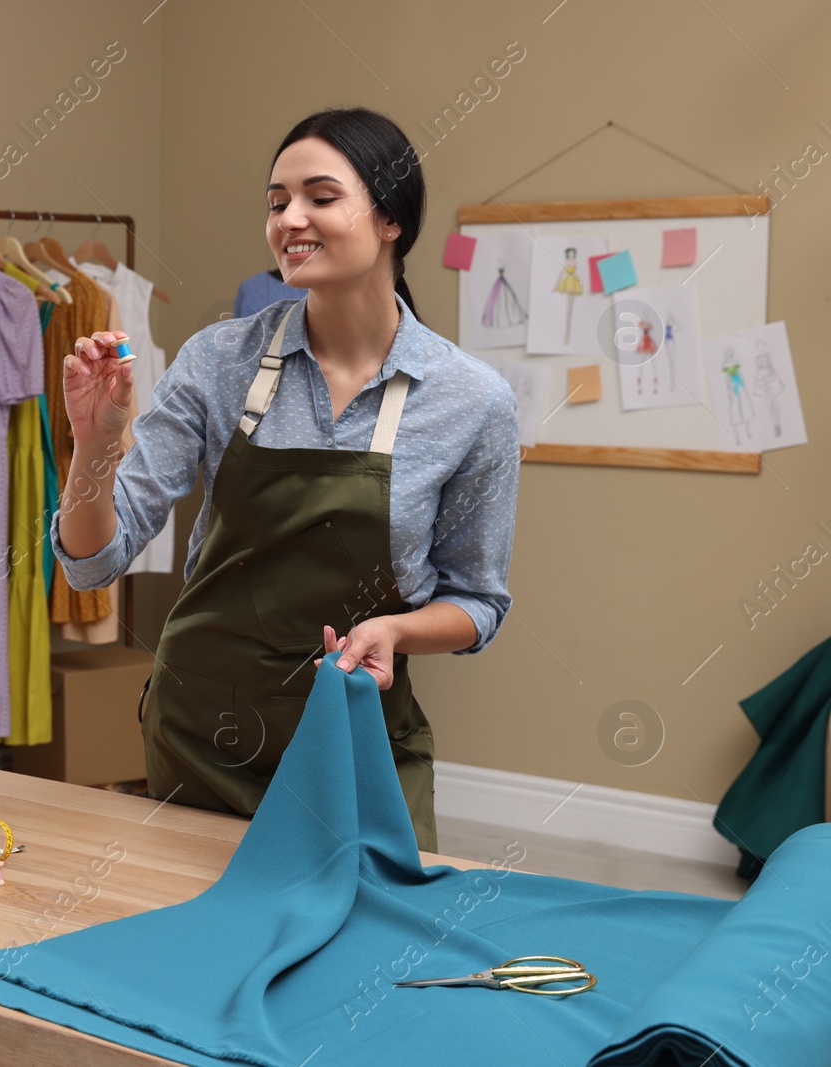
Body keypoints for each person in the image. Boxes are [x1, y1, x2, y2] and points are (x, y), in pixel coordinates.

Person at [52, 108, 520, 852]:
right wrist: (93, 442)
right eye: (276, 202)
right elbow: (91, 562)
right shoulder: (217, 361)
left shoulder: (472, 399)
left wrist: (395, 628)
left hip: (358, 739)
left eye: (320, 197)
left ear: (391, 217)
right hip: (203, 737)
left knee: (372, 952)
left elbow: (479, 601)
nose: (289, 220)